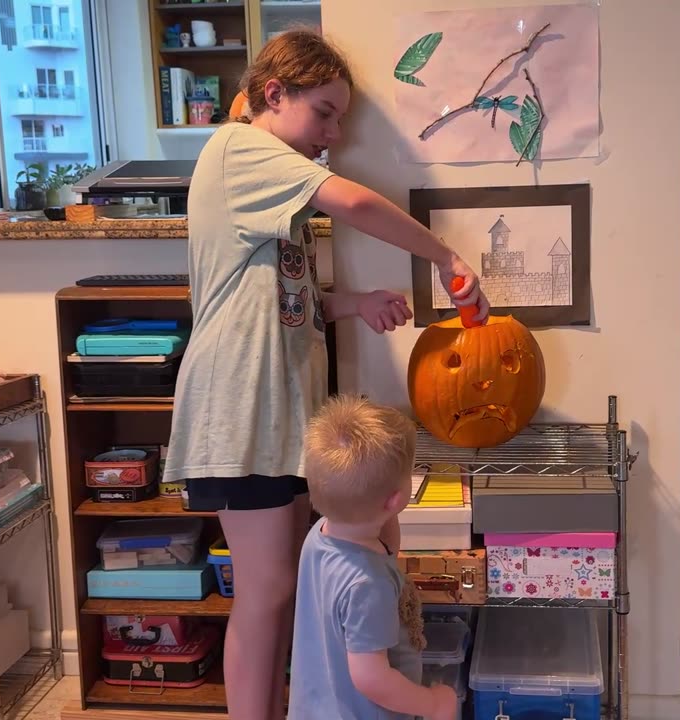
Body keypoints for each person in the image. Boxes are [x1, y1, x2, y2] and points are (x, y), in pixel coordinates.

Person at [162, 30, 489, 720]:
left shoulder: (268, 182)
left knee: (281, 587)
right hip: (239, 408)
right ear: (273, 95)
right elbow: (357, 203)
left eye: (341, 120)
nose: (333, 135)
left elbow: (284, 303)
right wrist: (444, 256)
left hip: (274, 413)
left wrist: (353, 305)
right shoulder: (240, 148)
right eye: (325, 113)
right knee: (268, 589)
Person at [288, 395, 459, 720]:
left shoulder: (321, 535)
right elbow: (372, 678)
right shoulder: (369, 584)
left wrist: (387, 508)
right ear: (395, 499)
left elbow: (387, 549)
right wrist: (432, 704)